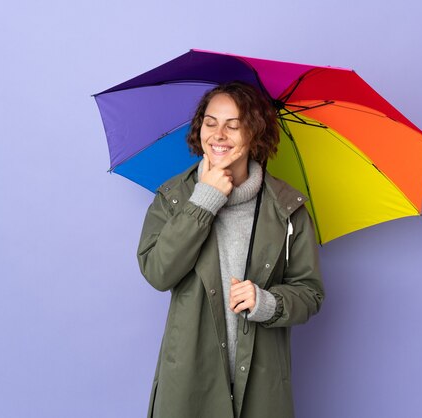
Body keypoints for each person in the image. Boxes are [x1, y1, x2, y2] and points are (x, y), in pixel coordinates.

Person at [137, 81, 324, 418]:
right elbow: (157, 272)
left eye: (233, 125)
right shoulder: (173, 197)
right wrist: (204, 202)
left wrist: (267, 302)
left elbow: (310, 293)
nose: (218, 134)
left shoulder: (287, 208)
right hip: (190, 383)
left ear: (255, 133)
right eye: (210, 122)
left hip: (261, 385)